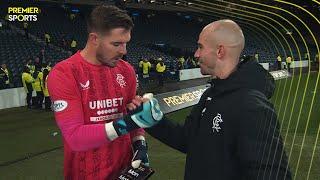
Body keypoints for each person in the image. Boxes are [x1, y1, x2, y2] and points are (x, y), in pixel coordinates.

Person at [146, 20, 292, 179]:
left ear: (220, 51)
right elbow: (189, 140)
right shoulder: (209, 94)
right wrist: (153, 120)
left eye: (200, 47)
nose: (196, 54)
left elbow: (275, 175)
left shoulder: (251, 106)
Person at [47, 5, 163, 179]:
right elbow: (75, 138)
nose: (123, 51)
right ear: (94, 39)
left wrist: (139, 143)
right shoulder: (65, 73)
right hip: (84, 174)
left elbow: (133, 116)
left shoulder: (126, 71)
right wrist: (128, 123)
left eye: (125, 43)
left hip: (125, 172)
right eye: (116, 44)